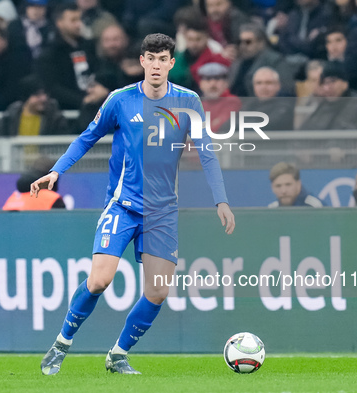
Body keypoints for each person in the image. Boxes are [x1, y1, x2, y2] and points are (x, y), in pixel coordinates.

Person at [30, 33, 235, 375]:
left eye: (163, 59)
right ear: (142, 61)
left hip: (162, 212)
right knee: (99, 281)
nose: (156, 65)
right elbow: (87, 138)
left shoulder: (189, 102)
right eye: (150, 58)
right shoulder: (120, 100)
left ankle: (118, 355)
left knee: (157, 292)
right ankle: (62, 343)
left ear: (172, 63)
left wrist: (221, 200)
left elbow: (207, 153)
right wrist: (56, 171)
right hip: (122, 206)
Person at [34, 3, 96, 110]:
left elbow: (99, 70)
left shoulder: (89, 46)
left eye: (80, 19)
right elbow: (52, 87)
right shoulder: (49, 54)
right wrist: (83, 100)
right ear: (59, 23)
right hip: (66, 113)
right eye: (73, 20)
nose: (78, 24)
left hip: (93, 108)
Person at [228, 24, 295, 97]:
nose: (242, 46)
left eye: (248, 42)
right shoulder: (238, 62)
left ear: (261, 43)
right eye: (240, 42)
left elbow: (286, 89)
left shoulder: (275, 61)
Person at [0, 75, 69, 136]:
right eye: (37, 95)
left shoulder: (55, 118)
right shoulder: (9, 117)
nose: (44, 98)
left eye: (45, 94)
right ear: (26, 98)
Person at [245, 66, 295, 131]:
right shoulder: (248, 105)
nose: (263, 87)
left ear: (278, 86)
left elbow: (268, 125)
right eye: (259, 83)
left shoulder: (285, 107)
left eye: (268, 83)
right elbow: (230, 124)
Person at [198, 62, 242, 133]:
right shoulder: (197, 104)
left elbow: (220, 126)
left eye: (217, 79)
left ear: (226, 83)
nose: (213, 84)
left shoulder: (232, 102)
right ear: (201, 84)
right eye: (208, 79)